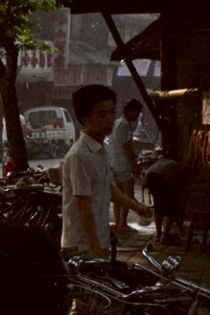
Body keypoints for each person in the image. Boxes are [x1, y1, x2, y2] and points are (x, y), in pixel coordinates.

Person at [60, 85, 150, 258]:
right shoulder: (81, 155)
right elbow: (83, 206)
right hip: (83, 246)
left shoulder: (101, 150)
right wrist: (96, 250)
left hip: (99, 240)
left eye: (111, 113)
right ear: (85, 118)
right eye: (102, 115)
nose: (110, 120)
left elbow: (108, 189)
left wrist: (136, 206)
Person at [108, 98, 144, 232]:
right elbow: (127, 148)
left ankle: (118, 223)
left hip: (114, 164)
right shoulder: (125, 125)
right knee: (128, 196)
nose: (137, 115)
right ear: (130, 110)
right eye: (137, 112)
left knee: (118, 196)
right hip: (123, 165)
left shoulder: (117, 122)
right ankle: (122, 224)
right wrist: (136, 166)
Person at [145, 157, 190, 245]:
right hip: (163, 177)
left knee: (158, 206)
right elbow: (180, 192)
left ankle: (159, 234)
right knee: (170, 208)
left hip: (149, 174)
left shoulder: (173, 164)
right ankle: (164, 237)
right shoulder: (183, 172)